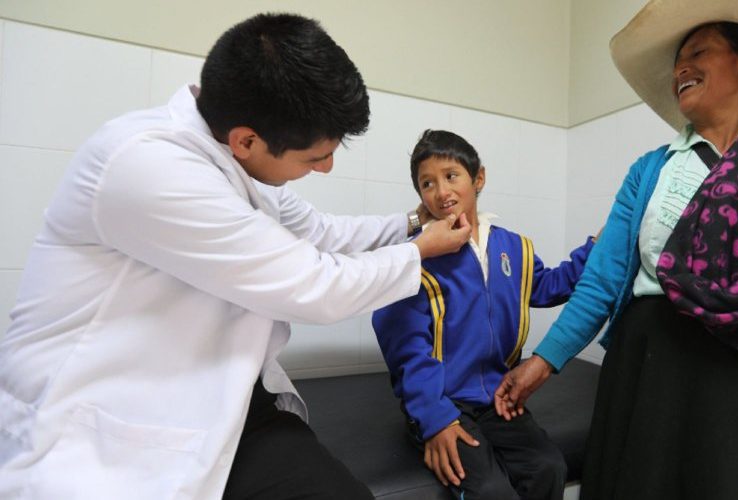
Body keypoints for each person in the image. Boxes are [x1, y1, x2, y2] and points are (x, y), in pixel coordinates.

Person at [0, 13, 472, 500]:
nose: (327, 168)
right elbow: (311, 285)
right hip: (104, 431)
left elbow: (321, 232)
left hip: (228, 403)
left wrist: (413, 221)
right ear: (247, 140)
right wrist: (420, 251)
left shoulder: (238, 162)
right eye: (315, 158)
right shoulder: (146, 165)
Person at [493, 1, 738, 499]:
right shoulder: (652, 170)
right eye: (677, 62)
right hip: (661, 377)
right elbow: (602, 280)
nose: (680, 69)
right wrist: (543, 362)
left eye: (699, 52)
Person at [372, 130, 597, 500]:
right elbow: (406, 350)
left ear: (478, 178)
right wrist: (434, 419)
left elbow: (548, 286)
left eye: (451, 176)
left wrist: (595, 249)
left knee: (548, 467)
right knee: (491, 491)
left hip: (497, 396)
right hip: (443, 402)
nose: (441, 191)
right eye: (427, 183)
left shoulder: (513, 246)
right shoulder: (415, 257)